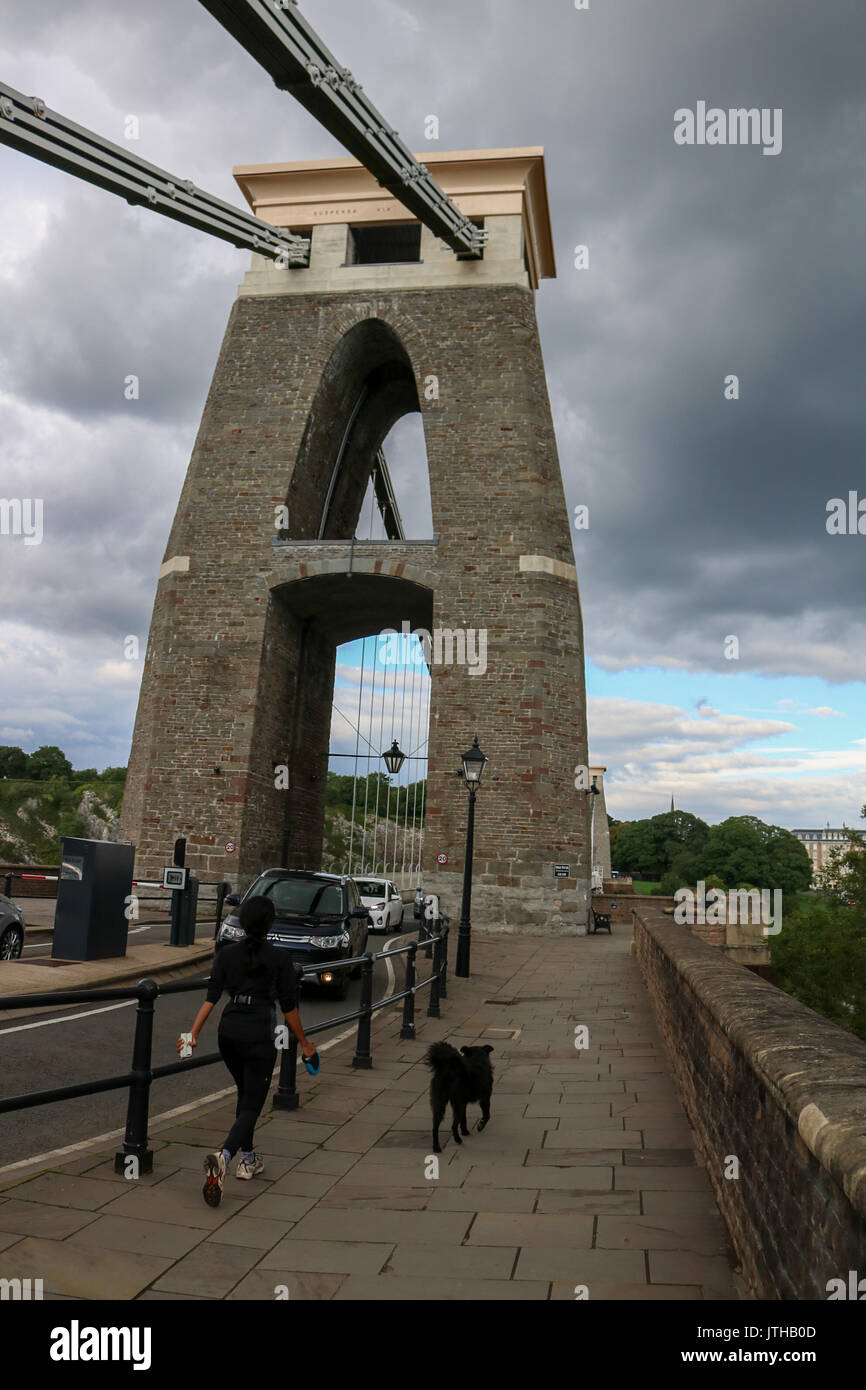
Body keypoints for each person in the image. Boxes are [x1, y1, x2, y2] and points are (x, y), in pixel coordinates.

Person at [177, 894, 319, 1207]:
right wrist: (306, 1045)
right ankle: (224, 1157)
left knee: (245, 1095)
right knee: (253, 1104)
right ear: (270, 924)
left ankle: (249, 1159)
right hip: (259, 1035)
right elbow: (289, 1008)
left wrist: (192, 1035)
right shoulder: (279, 958)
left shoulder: (226, 954)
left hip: (228, 1034)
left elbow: (212, 997)